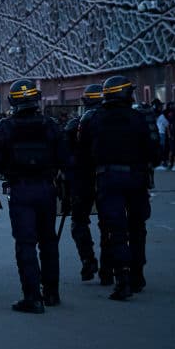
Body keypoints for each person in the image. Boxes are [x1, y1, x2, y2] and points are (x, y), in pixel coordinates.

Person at [0, 79, 67, 313]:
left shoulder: (3, 127)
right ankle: (52, 293)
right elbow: (67, 162)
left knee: (26, 243)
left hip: (20, 190)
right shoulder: (51, 125)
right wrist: (68, 193)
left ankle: (33, 297)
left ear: (12, 101)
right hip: (46, 190)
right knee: (49, 241)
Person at [77, 75, 159, 300]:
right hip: (137, 178)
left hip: (108, 178)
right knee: (137, 227)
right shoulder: (140, 117)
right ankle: (137, 274)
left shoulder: (92, 119)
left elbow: (82, 153)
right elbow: (155, 151)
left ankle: (121, 278)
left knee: (116, 229)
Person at [63, 84, 105, 283]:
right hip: (108, 179)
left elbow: (64, 154)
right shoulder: (115, 121)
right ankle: (109, 268)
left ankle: (88, 260)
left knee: (79, 222)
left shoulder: (76, 124)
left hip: (83, 180)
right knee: (111, 225)